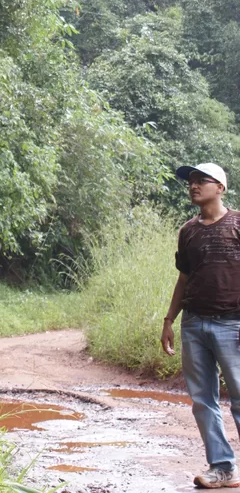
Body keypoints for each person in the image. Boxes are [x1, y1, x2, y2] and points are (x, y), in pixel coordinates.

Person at [162, 162, 240, 490]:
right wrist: (169, 320)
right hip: (193, 324)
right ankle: (221, 468)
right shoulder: (188, 231)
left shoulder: (238, 223)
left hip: (233, 323)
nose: (193, 186)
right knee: (203, 401)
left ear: (220, 187)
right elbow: (184, 278)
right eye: (190, 182)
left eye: (201, 181)